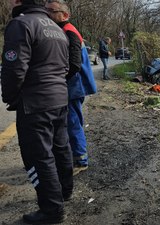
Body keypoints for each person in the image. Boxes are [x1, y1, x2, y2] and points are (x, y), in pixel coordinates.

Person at [1, 0, 72, 224]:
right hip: (59, 99)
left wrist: (10, 96)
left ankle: (52, 210)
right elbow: (66, 66)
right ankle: (64, 192)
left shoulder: (21, 24)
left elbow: (14, 67)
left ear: (18, 1)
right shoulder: (56, 28)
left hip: (35, 103)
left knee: (39, 157)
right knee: (60, 147)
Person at [45, 0, 97, 176]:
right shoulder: (64, 31)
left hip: (74, 87)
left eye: (52, 11)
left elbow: (74, 64)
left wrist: (58, 78)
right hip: (72, 86)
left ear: (65, 15)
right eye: (46, 10)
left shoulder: (69, 32)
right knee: (71, 122)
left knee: (73, 123)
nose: (48, 14)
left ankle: (81, 160)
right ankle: (74, 156)